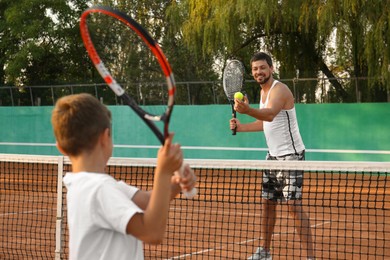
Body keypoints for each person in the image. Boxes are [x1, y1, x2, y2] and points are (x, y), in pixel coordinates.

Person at [51, 93, 197, 260]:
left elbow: (149, 200)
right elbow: (152, 232)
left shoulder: (85, 185)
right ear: (105, 137)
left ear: (60, 147)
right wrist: (163, 172)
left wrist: (176, 182)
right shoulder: (100, 189)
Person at [230, 52, 315, 260]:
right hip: (272, 157)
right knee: (267, 204)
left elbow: (269, 115)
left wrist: (247, 110)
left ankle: (311, 257)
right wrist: (241, 128)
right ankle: (265, 252)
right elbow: (265, 123)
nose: (259, 71)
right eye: (255, 69)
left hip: (291, 157)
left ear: (271, 68)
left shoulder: (280, 90)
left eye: (262, 67)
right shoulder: (263, 93)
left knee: (294, 207)